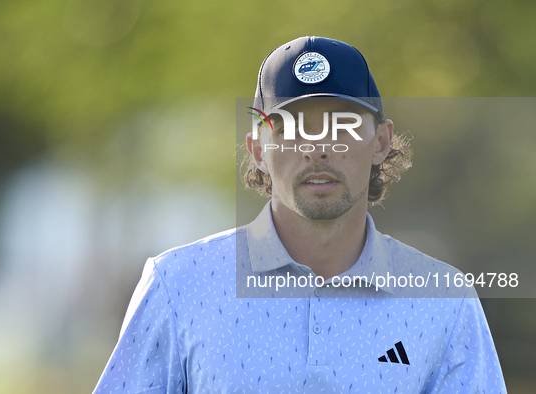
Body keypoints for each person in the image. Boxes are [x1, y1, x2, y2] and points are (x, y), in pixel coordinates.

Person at [92, 36, 506, 393]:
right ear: (258, 150)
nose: (318, 147)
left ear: (381, 142)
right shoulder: (177, 285)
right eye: (291, 128)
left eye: (341, 125)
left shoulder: (445, 301)